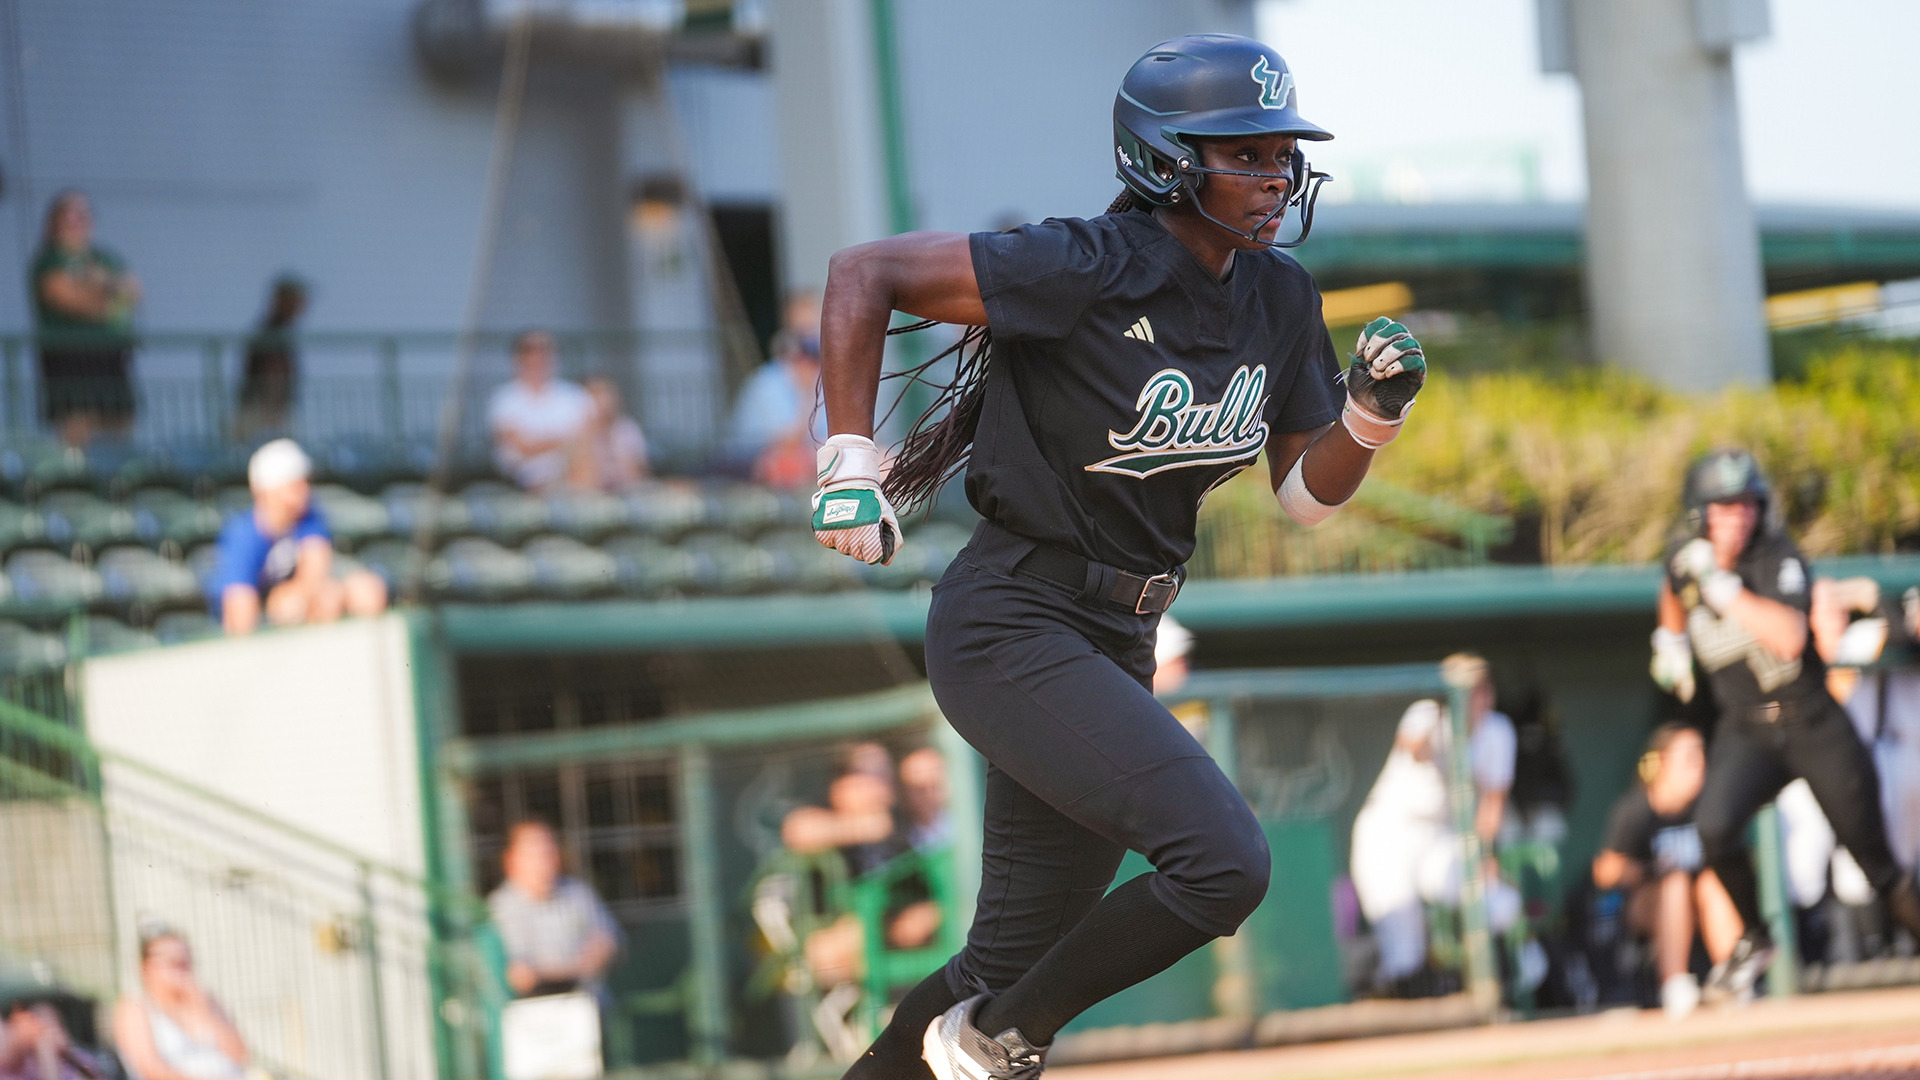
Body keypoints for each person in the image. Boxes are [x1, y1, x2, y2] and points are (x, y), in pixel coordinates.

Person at [808, 35, 1423, 1080]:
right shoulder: (1084, 261)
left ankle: (973, 1026)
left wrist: (1368, 416)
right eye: (1247, 153)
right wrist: (847, 461)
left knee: (1005, 960)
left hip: (1118, 634)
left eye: (1283, 154)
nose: (1276, 175)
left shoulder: (1278, 294)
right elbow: (863, 273)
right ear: (1165, 159)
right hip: (1013, 620)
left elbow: (1304, 497)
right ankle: (999, 1040)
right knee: (1223, 863)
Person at [1649, 449, 1920, 1003]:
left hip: (1811, 721)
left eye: (1747, 504)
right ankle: (1755, 937)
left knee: (1876, 867)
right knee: (1713, 829)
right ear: (1700, 512)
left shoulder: (1777, 557)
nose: (1740, 516)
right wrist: (1670, 639)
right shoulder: (1686, 556)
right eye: (1726, 506)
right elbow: (1672, 588)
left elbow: (1791, 638)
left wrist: (1725, 587)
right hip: (1747, 728)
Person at [1348, 655, 1520, 994]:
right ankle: (1391, 999)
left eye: (1482, 689)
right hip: (1389, 831)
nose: (1477, 698)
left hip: (1441, 835)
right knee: (1402, 944)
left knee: (1498, 903)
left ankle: (1497, 990)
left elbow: (1493, 804)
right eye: (1467, 691)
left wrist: (1484, 854)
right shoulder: (1428, 713)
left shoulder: (1498, 731)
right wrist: (1449, 737)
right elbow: (1413, 746)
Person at [1591, 724, 1740, 1019]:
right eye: (1688, 757)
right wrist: (1647, 869)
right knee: (1675, 882)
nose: (1698, 765)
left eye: (1700, 755)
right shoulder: (1637, 809)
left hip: (1700, 904)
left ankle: (1733, 980)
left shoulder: (1708, 807)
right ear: (1661, 763)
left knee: (1712, 883)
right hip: (1646, 907)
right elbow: (1604, 871)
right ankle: (1675, 984)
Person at [210, 439, 387, 634]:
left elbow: (315, 571)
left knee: (362, 590)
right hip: (263, 622)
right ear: (267, 491)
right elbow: (239, 611)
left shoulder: (309, 517)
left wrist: (299, 597)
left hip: (293, 606)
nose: (304, 491)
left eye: (304, 482)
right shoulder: (243, 535)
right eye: (294, 485)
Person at [30, 190, 140, 447]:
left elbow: (133, 292)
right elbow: (68, 298)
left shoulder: (105, 257)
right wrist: (105, 291)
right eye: (69, 215)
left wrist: (102, 283)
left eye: (82, 215)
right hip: (70, 361)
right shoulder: (48, 260)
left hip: (110, 358)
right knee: (77, 429)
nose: (76, 222)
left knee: (120, 428)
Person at [487, 820, 623, 1000]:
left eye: (548, 851)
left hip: (585, 999)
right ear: (511, 860)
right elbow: (512, 975)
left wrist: (604, 946)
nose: (543, 861)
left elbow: (612, 939)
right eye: (533, 854)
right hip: (525, 1006)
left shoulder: (578, 894)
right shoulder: (497, 909)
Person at [111, 926, 250, 1080]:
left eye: (186, 961)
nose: (182, 969)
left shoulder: (205, 999)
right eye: (172, 962)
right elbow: (150, 1070)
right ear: (146, 966)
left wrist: (206, 1012)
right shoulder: (135, 1006)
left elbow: (240, 1055)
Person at [724, 292, 826, 486]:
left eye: (814, 333)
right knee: (790, 465)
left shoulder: (825, 379)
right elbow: (788, 442)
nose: (811, 343)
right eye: (803, 336)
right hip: (750, 461)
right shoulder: (768, 382)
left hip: (800, 456)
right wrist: (807, 393)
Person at [488, 330, 594, 491]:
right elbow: (520, 447)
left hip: (573, 468)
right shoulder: (505, 398)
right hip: (525, 476)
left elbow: (588, 439)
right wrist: (564, 443)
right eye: (530, 350)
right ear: (518, 357)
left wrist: (551, 444)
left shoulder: (574, 394)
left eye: (545, 350)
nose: (538, 357)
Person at [236, 275, 308, 437]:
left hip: (271, 408)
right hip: (262, 408)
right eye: (295, 301)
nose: (300, 307)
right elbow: (272, 370)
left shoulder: (282, 332)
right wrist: (274, 403)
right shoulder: (270, 333)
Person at [564, 376, 650, 491]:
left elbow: (638, 472)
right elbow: (578, 478)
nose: (603, 401)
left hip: (626, 490)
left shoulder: (626, 429)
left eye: (606, 394)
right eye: (596, 395)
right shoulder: (576, 430)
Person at [0, 999, 106, 1080]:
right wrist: (46, 1051)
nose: (49, 1033)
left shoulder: (78, 1055)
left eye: (53, 1025)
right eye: (42, 1027)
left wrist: (66, 1053)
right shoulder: (28, 1065)